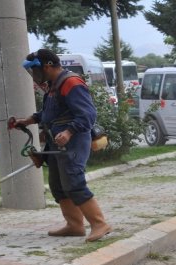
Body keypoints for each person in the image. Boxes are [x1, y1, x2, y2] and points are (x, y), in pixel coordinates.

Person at [13, 49, 112, 243]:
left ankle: (100, 224)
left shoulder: (71, 83)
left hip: (73, 141)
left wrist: (68, 132)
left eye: (35, 70)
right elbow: (50, 113)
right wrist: (28, 120)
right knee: (58, 185)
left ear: (48, 65)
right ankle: (74, 226)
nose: (34, 75)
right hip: (56, 141)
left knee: (74, 183)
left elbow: (87, 115)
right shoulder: (53, 86)